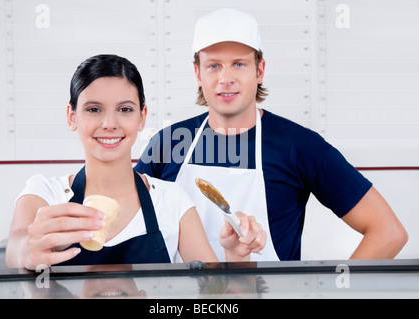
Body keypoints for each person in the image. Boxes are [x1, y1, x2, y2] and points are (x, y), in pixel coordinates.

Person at [135, 8, 408, 261]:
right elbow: (128, 226)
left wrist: (339, 292)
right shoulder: (168, 144)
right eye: (213, 65)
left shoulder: (299, 146)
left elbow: (388, 232)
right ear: (198, 73)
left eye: (239, 64)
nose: (225, 78)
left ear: (260, 70)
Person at [5, 54, 266, 270]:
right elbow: (15, 246)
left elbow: (216, 296)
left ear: (142, 117)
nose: (109, 124)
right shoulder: (45, 193)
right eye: (93, 109)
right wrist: (28, 250)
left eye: (125, 109)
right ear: (72, 116)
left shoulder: (173, 202)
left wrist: (237, 255)